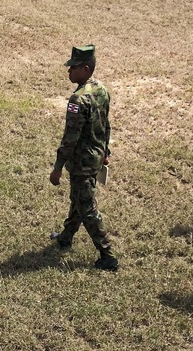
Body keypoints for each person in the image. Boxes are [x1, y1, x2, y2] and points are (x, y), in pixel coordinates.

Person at [49, 45, 118, 271]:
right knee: (78, 199)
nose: (69, 72)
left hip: (82, 162)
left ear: (86, 69)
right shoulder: (102, 90)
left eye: (73, 68)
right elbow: (105, 126)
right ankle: (66, 236)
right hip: (96, 157)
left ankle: (108, 254)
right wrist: (105, 152)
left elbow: (70, 139)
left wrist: (58, 167)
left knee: (87, 207)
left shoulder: (78, 100)